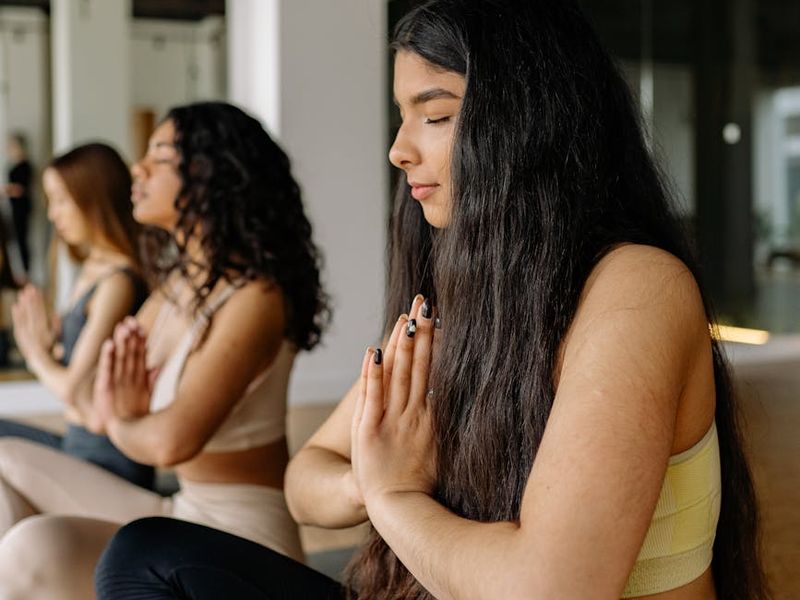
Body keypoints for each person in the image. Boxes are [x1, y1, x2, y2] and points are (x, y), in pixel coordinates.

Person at [96, 1, 768, 599]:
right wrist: (377, 473)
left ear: (525, 124)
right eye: (402, 116)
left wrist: (393, 493)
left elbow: (551, 586)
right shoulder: (470, 296)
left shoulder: (637, 289)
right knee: (149, 556)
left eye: (436, 114)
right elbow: (307, 481)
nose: (397, 150)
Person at [0, 102, 327, 599]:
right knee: (8, 471)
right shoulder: (174, 289)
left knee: (35, 548)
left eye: (159, 155)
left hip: (241, 540)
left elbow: (170, 442)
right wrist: (118, 413)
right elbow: (92, 405)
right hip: (180, 514)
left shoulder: (255, 297)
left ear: (210, 174)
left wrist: (121, 417)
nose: (138, 168)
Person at [1, 143, 153, 488]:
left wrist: (34, 354)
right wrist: (51, 345)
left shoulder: (118, 282)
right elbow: (82, 364)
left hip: (106, 461)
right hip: (76, 443)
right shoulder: (93, 270)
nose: (53, 214)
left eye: (61, 200)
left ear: (93, 199)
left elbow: (71, 387)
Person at [4, 133, 33, 274]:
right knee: (16, 239)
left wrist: (6, 190)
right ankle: (20, 271)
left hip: (22, 207)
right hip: (14, 206)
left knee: (22, 239)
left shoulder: (26, 165)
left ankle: (26, 271)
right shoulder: (13, 164)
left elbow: (22, 189)